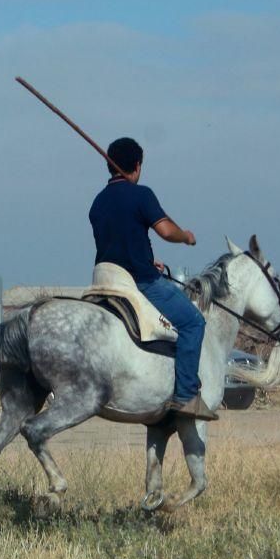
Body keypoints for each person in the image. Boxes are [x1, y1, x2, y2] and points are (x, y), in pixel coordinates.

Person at [89, 137, 217, 421]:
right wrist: (186, 237)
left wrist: (148, 258)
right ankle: (186, 396)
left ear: (109, 166)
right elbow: (166, 231)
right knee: (193, 323)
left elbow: (119, 241)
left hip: (104, 278)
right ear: (137, 165)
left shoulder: (97, 202)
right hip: (140, 281)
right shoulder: (141, 194)